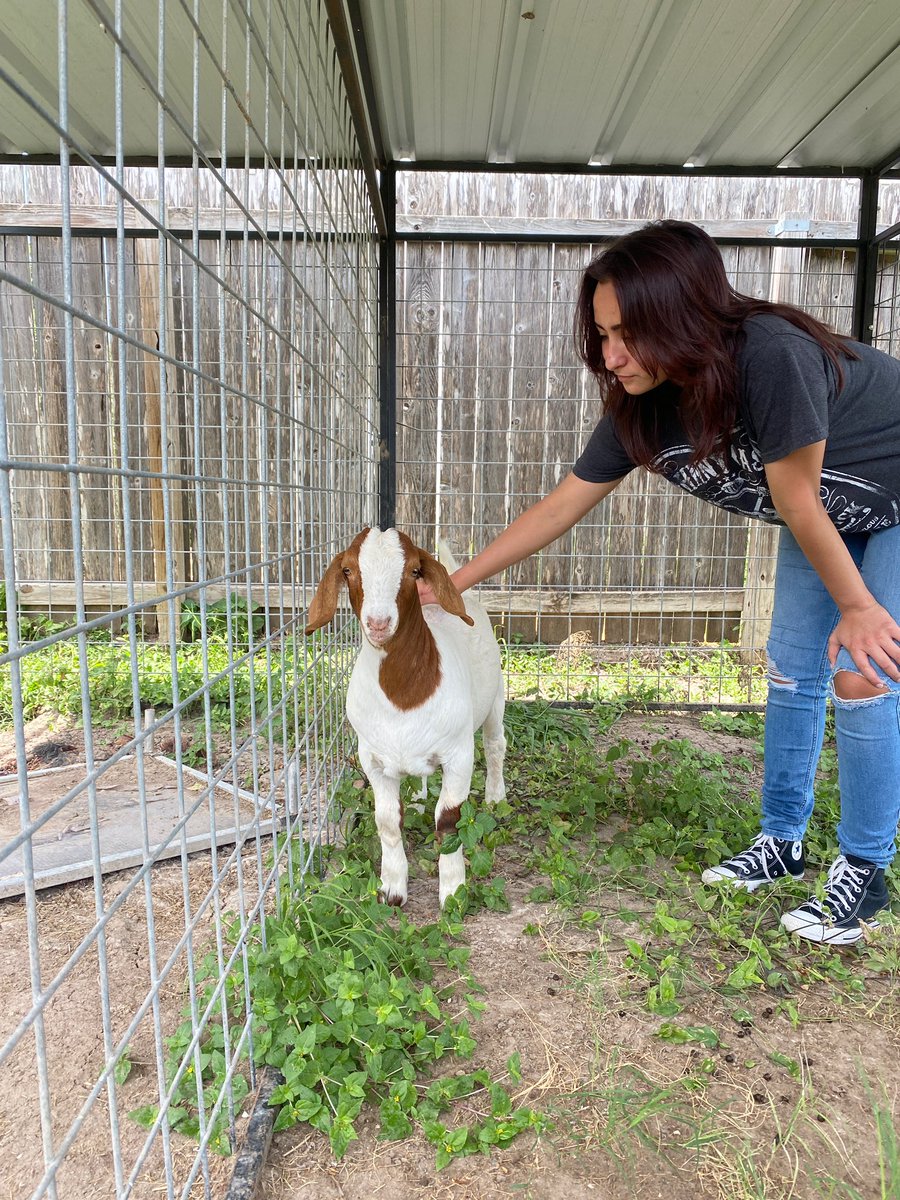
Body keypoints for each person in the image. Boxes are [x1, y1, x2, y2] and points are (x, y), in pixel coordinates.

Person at [418, 219, 900, 947]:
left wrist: (860, 609)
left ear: (681, 316)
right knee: (790, 668)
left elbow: (798, 497)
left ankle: (866, 870)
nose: (610, 356)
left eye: (626, 334)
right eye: (602, 334)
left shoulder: (771, 355)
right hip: (829, 510)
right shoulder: (638, 409)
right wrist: (453, 583)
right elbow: (560, 506)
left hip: (889, 498)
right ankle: (782, 843)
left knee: (861, 672)